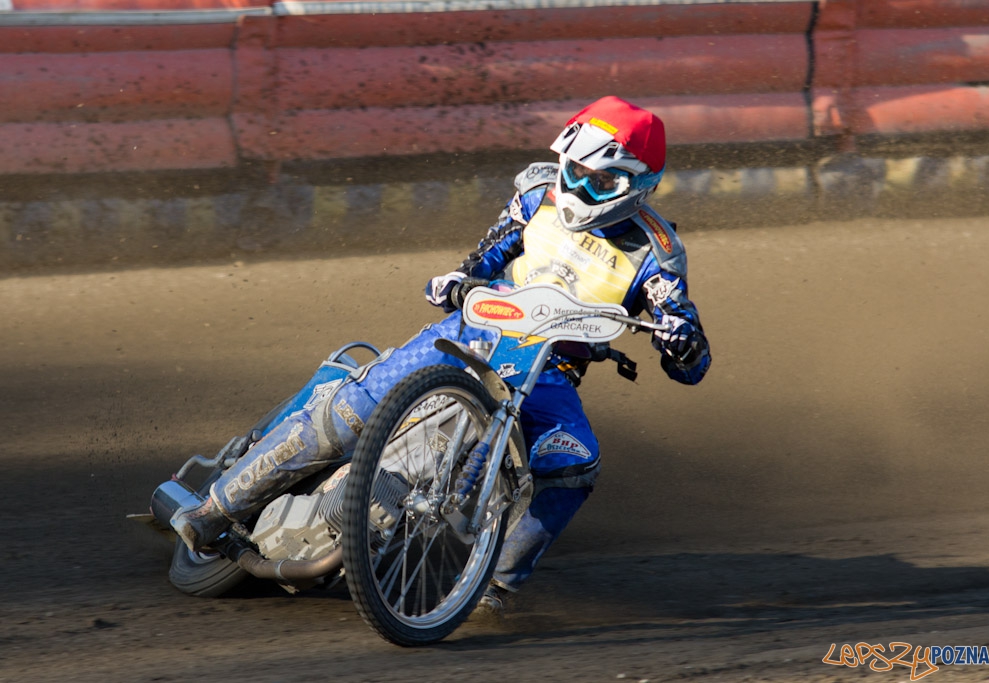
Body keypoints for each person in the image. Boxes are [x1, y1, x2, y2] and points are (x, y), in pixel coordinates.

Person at [170, 95, 711, 615]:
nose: (579, 186)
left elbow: (691, 357)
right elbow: (486, 256)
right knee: (356, 404)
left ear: (641, 184)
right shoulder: (535, 197)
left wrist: (681, 343)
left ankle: (493, 581)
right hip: (472, 331)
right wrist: (461, 279)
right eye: (573, 169)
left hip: (548, 373)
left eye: (601, 181)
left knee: (573, 465)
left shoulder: (657, 254)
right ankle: (217, 509)